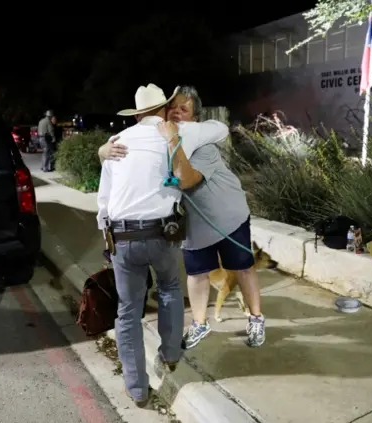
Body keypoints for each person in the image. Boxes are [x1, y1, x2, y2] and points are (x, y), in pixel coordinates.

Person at [98, 86, 265, 349]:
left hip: (227, 218)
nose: (176, 112)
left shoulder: (201, 146)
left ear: (194, 118)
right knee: (197, 275)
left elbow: (186, 181)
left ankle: (256, 318)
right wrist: (102, 152)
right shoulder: (159, 141)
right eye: (172, 107)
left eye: (183, 109)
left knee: (242, 268)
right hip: (194, 224)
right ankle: (200, 323)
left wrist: (173, 141)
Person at [97, 83, 228, 408]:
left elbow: (104, 199)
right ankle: (170, 354)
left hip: (123, 237)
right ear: (164, 107)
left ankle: (136, 388)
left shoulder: (117, 142)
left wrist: (106, 234)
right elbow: (222, 129)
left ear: (138, 113)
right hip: (163, 233)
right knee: (169, 289)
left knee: (128, 311)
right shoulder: (179, 131)